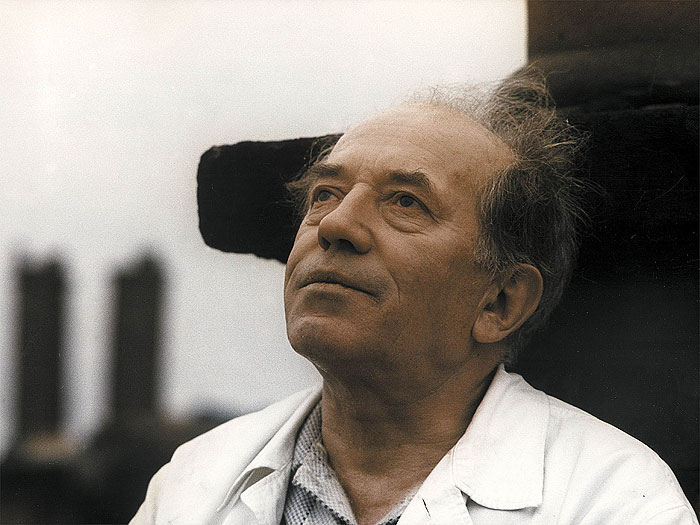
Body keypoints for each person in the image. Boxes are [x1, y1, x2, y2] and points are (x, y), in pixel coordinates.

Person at [132, 70, 697, 524]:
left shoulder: (615, 501)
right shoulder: (191, 485)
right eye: (325, 193)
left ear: (500, 302)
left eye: (405, 202)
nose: (337, 225)